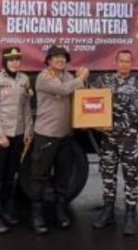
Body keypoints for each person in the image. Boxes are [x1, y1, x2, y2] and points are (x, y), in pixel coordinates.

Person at [30, 45, 89, 235]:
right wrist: (81, 78)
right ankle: (37, 216)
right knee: (40, 176)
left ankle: (60, 212)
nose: (60, 60)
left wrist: (81, 80)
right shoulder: (43, 77)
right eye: (56, 57)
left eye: (63, 57)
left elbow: (80, 93)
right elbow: (64, 90)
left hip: (65, 135)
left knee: (63, 176)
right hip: (46, 135)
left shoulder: (69, 76)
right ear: (48, 60)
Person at [92, 49, 138, 236]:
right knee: (108, 175)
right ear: (116, 62)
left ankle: (130, 214)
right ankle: (108, 211)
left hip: (127, 138)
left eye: (127, 61)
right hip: (107, 140)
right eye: (121, 61)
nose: (124, 64)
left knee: (131, 176)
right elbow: (90, 98)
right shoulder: (104, 81)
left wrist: (109, 126)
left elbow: (134, 114)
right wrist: (95, 122)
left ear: (131, 64)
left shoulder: (137, 86)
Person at [0, 47, 33, 235]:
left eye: (17, 59)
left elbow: (26, 107)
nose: (15, 62)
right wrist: (0, 134)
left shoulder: (24, 80)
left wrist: (28, 130)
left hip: (17, 134)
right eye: (11, 59)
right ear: (5, 61)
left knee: (10, 177)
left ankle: (5, 211)